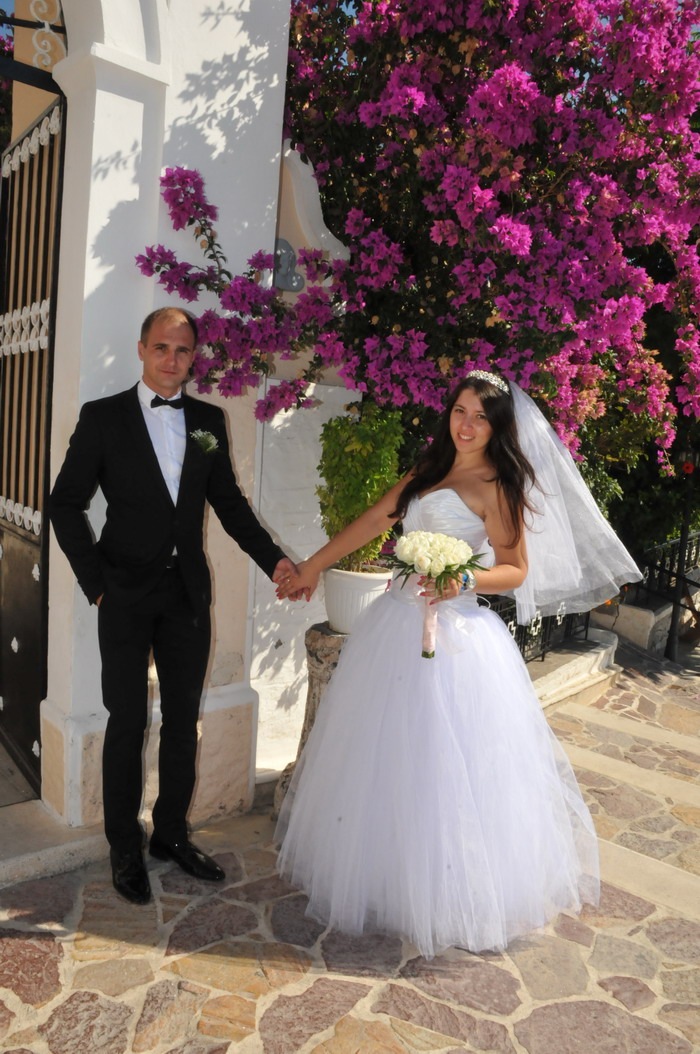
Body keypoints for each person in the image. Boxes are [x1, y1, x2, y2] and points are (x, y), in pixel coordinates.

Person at [275, 371, 642, 958]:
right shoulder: (428, 469)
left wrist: (463, 579)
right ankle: (387, 875)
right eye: (459, 411)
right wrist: (313, 566)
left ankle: (446, 889)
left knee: (444, 764)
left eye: (480, 417)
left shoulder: (498, 485)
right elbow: (374, 519)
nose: (467, 425)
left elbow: (514, 569)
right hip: (394, 627)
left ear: (498, 427)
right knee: (386, 757)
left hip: (456, 638)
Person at [49, 306, 299, 906]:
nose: (172, 359)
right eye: (162, 347)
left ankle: (170, 835)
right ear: (142, 349)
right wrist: (96, 583)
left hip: (186, 595)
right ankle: (123, 845)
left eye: (183, 350)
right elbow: (64, 504)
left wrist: (276, 563)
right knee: (127, 722)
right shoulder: (103, 417)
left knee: (184, 721)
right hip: (123, 595)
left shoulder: (208, 421)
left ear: (193, 358)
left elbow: (230, 505)